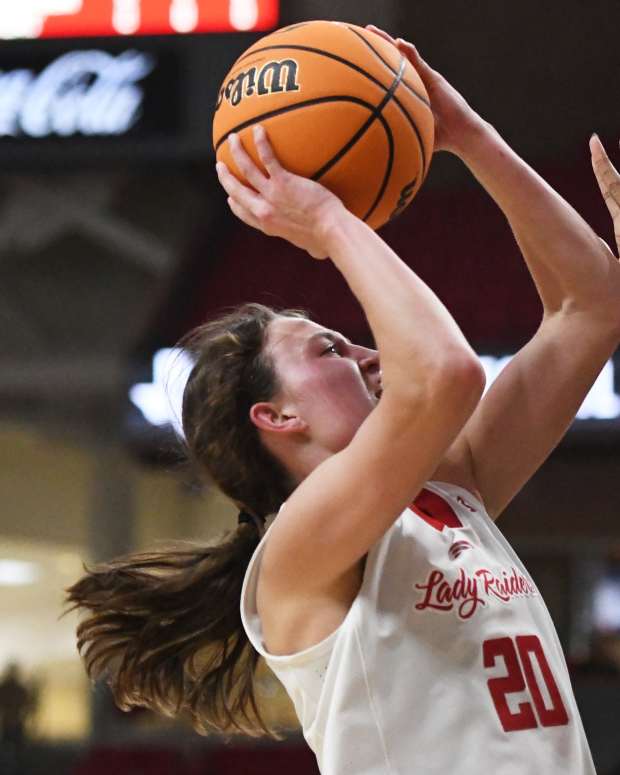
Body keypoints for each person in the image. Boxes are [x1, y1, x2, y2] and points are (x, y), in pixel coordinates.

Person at [65, 25, 620, 774]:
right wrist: (328, 220)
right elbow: (445, 372)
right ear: (277, 416)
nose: (367, 353)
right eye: (330, 348)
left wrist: (469, 136)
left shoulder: (450, 490)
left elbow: (593, 306)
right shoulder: (298, 548)